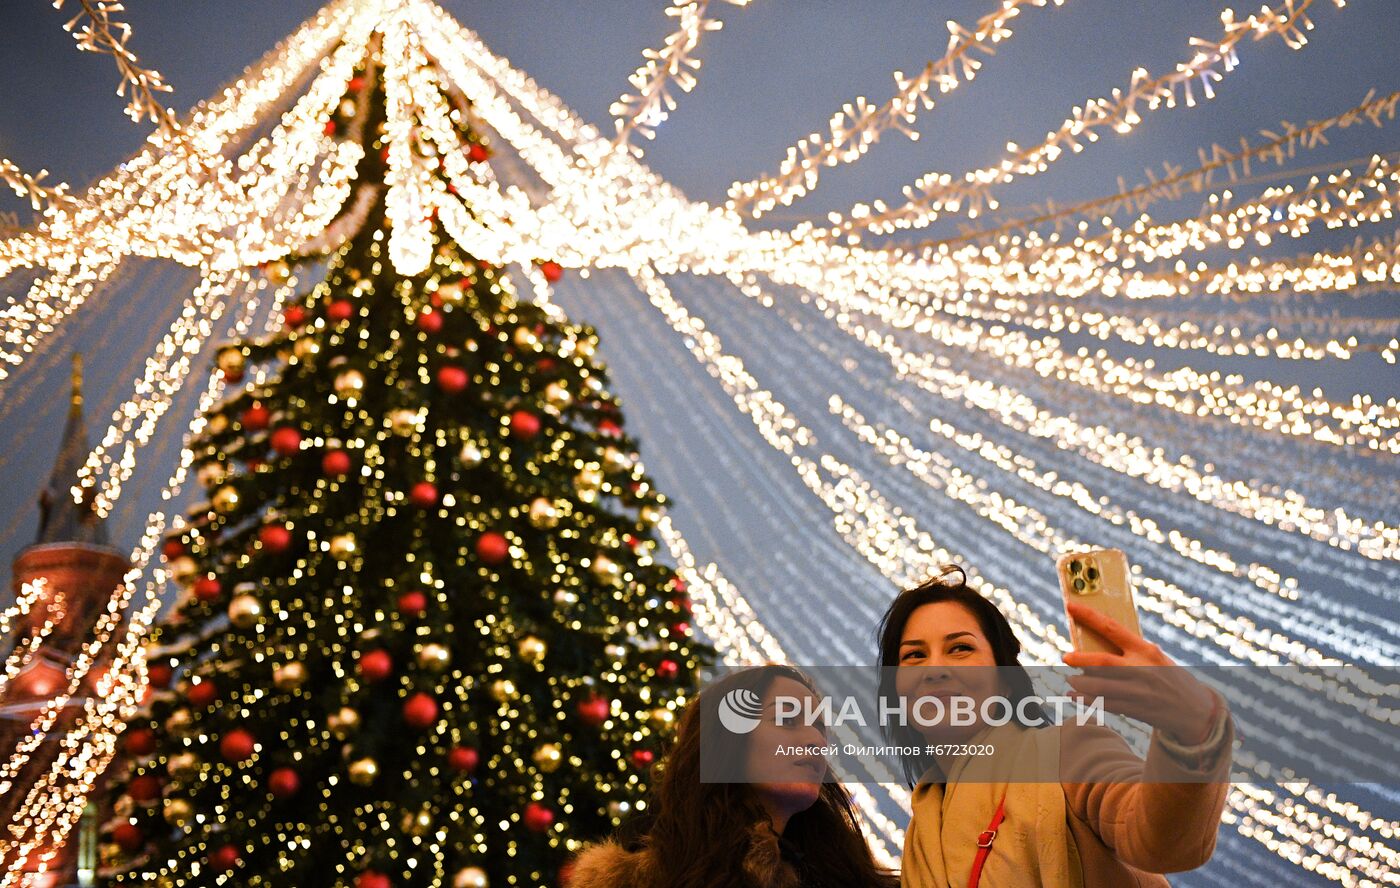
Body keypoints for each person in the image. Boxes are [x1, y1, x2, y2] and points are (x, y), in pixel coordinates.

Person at [880, 565, 1233, 888]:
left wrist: (1190, 723)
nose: (935, 668)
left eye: (959, 648)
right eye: (914, 655)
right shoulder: (921, 828)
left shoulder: (1067, 751)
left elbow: (1161, 841)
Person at [567, 664, 898, 888]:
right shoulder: (637, 880)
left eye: (819, 727)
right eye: (786, 719)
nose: (816, 739)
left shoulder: (850, 876)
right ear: (729, 740)